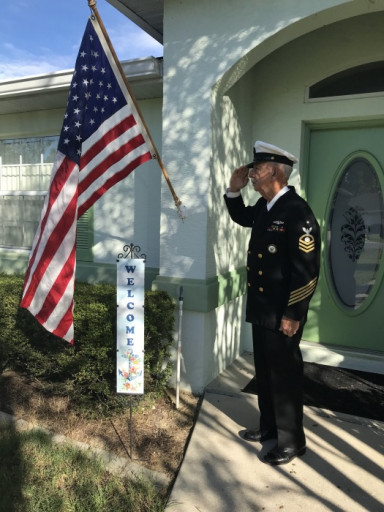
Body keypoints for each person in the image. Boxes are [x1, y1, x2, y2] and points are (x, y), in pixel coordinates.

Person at [224, 140, 320, 465]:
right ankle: (269, 429)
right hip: (263, 309)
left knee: (285, 376)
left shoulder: (297, 212)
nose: (251, 175)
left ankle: (292, 442)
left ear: (276, 173)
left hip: (283, 313)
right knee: (265, 373)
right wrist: (233, 190)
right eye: (251, 171)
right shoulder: (267, 208)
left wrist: (294, 314)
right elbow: (241, 216)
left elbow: (307, 271)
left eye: (257, 170)